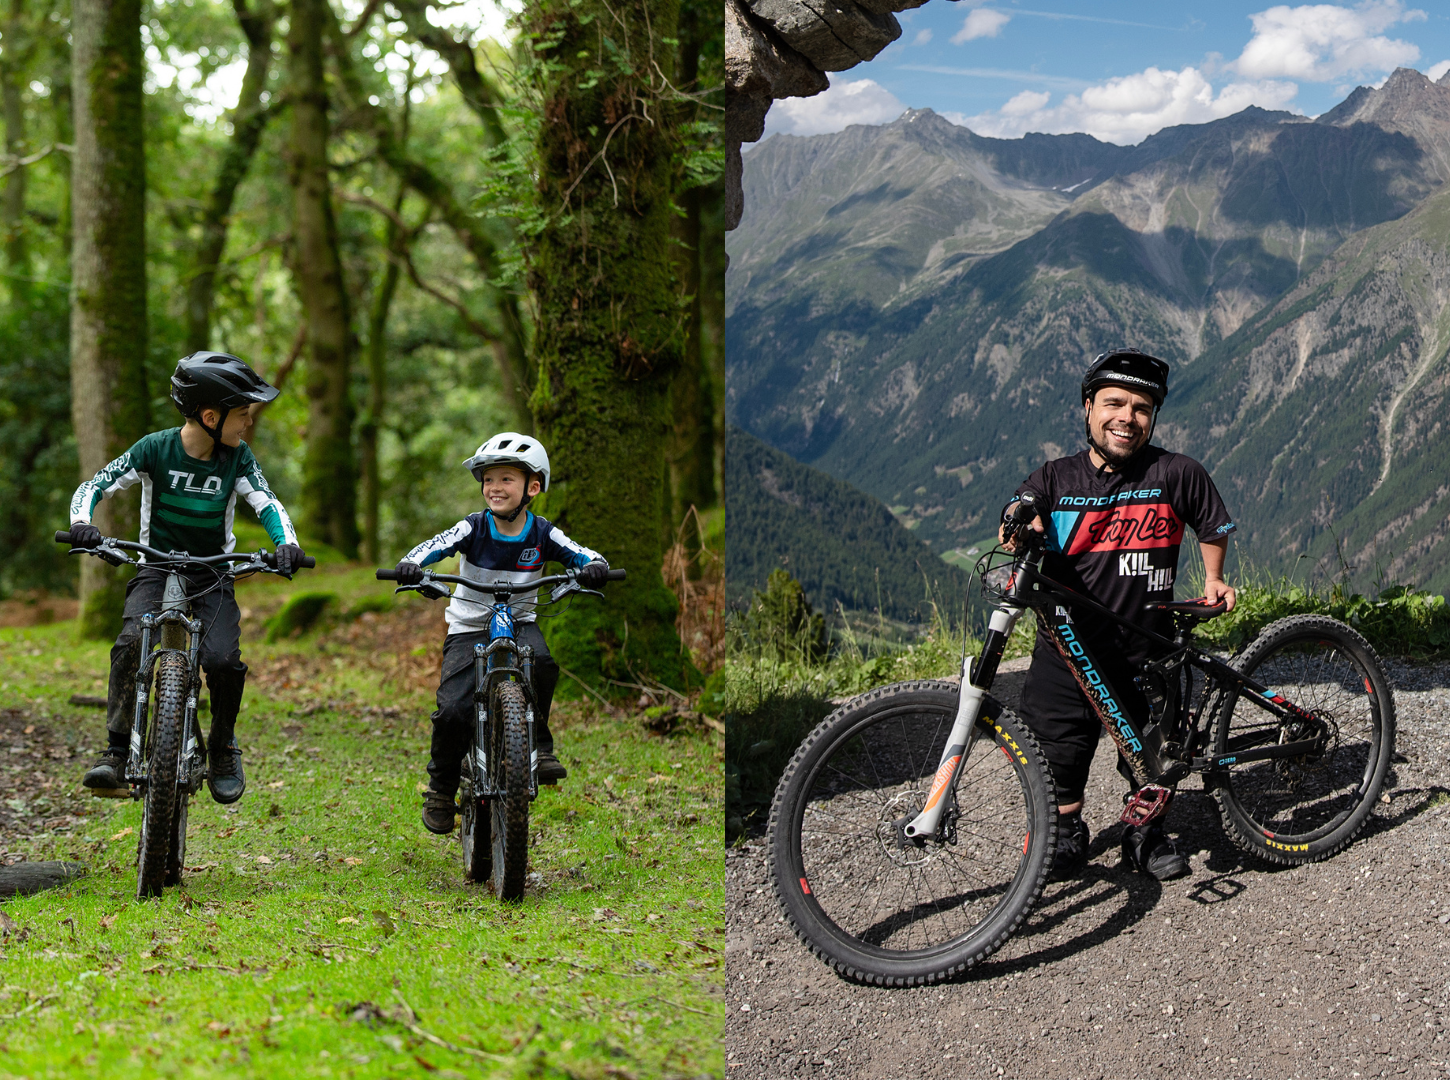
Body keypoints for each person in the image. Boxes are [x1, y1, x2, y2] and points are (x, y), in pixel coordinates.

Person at [999, 349, 1237, 881]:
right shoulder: (1055, 478)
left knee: (1151, 755)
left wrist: (1214, 578)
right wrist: (1018, 521)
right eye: (1114, 403)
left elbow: (1212, 525)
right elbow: (1016, 513)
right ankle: (1065, 832)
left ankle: (1144, 834)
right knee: (1057, 753)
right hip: (1065, 653)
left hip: (1144, 649)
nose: (1127, 417)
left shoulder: (1176, 473)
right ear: (1088, 408)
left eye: (1141, 407)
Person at [70, 351, 305, 804]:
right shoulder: (155, 448)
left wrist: (285, 545)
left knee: (222, 662)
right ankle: (117, 751)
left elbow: (267, 503)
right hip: (155, 566)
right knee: (128, 644)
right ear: (210, 416)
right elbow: (94, 484)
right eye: (242, 415)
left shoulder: (237, 459)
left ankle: (222, 746)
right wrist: (83, 521)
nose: (248, 424)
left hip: (213, 574)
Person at [392, 432, 609, 835]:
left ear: (533, 487)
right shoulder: (473, 527)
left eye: (506, 479)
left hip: (521, 620)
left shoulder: (544, 532)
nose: (495, 488)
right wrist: (411, 565)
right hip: (470, 626)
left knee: (542, 663)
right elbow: (432, 547)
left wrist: (595, 566)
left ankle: (539, 745)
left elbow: (585, 554)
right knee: (454, 709)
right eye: (489, 479)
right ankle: (441, 788)